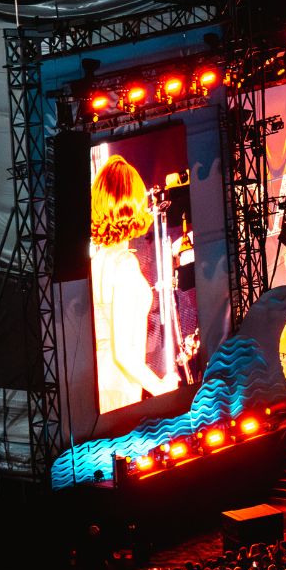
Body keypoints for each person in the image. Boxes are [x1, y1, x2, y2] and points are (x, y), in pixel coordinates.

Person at [89, 154, 177, 414]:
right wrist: (162, 388)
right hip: (117, 392)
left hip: (101, 389)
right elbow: (124, 353)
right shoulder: (124, 266)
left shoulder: (99, 261)